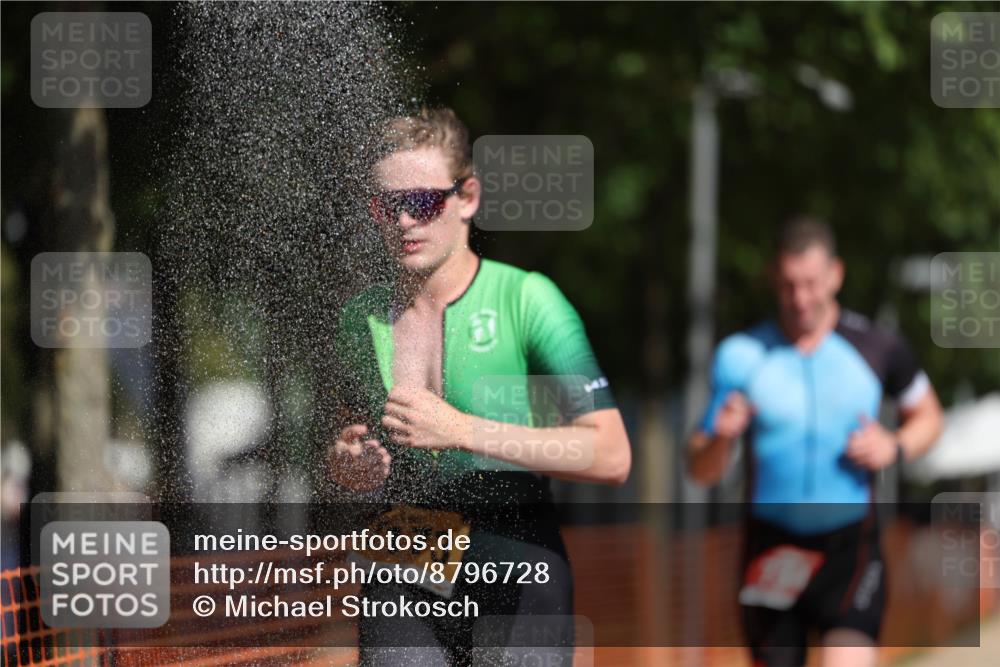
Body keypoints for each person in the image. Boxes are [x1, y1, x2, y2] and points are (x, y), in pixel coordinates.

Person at [327, 107, 631, 666]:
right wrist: (348, 463)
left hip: (517, 558)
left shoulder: (527, 299)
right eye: (385, 206)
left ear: (467, 198)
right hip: (406, 553)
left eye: (421, 202)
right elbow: (348, 441)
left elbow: (611, 454)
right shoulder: (359, 319)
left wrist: (463, 430)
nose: (403, 222)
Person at [686, 217, 943, 667]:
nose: (800, 299)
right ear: (773, 278)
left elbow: (928, 417)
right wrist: (721, 439)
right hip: (771, 550)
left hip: (850, 549)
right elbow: (699, 468)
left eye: (810, 283)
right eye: (788, 285)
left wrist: (894, 446)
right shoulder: (741, 355)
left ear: (835, 275)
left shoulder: (878, 347)